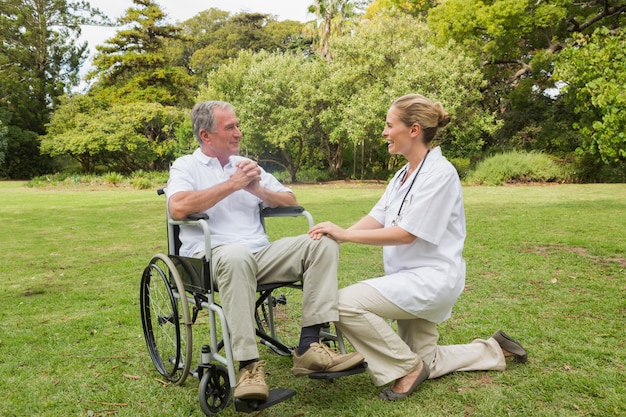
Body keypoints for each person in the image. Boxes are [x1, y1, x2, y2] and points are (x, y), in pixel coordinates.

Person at [308, 94, 527, 401]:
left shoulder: (440, 173)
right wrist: (335, 235)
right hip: (406, 278)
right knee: (430, 360)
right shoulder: (401, 174)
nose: (384, 133)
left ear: (413, 130)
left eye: (388, 125)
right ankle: (493, 349)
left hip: (430, 280)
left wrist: (345, 235)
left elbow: (407, 234)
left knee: (344, 303)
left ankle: (407, 368)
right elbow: (378, 216)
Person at [166, 101, 364, 401]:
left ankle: (309, 347)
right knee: (236, 255)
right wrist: (232, 185)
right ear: (206, 136)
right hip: (211, 258)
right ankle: (247, 367)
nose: (238, 132)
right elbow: (178, 207)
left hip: (260, 255)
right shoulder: (186, 166)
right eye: (230, 127)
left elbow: (291, 200)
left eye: (237, 125)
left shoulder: (245, 166)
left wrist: (257, 189)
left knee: (321, 241)